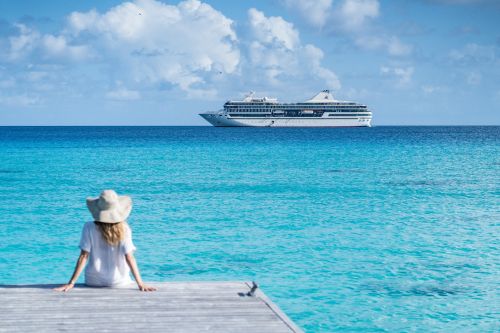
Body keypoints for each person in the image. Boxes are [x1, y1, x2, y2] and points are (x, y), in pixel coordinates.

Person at [55, 190, 156, 292]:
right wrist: (140, 283)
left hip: (94, 281)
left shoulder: (89, 227)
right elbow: (129, 257)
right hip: (119, 281)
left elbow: (84, 256)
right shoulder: (124, 228)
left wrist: (71, 283)